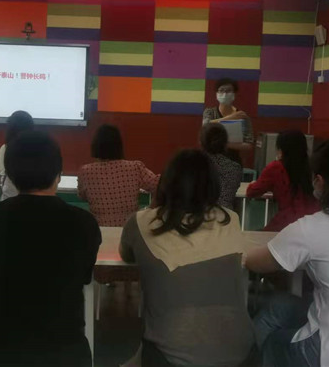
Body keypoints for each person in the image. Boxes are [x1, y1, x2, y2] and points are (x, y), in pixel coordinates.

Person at [0, 131, 101, 367]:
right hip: (61, 346)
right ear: (59, 174)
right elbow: (84, 276)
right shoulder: (84, 223)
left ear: (11, 175)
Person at [120, 149, 255, 367]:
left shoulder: (141, 222)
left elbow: (126, 254)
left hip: (170, 358)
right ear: (213, 185)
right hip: (243, 355)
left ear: (166, 183)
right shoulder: (230, 219)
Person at [245, 139, 329, 367]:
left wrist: (241, 256)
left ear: (320, 181)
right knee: (281, 305)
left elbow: (257, 263)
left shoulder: (314, 228)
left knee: (273, 342)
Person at [78, 124, 159, 284]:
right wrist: (150, 210)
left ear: (95, 145)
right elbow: (160, 184)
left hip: (100, 245)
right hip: (131, 244)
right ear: (119, 145)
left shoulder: (85, 171)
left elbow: (83, 196)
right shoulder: (135, 167)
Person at [247, 130, 319, 231]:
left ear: (281, 149)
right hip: (314, 222)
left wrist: (253, 184)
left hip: (287, 223)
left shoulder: (276, 167)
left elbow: (252, 192)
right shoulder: (314, 167)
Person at [202, 78, 254, 155]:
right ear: (216, 93)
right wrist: (231, 117)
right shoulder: (209, 112)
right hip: (210, 157)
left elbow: (249, 145)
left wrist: (224, 144)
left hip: (233, 158)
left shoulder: (242, 116)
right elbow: (205, 126)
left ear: (234, 94)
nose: (225, 93)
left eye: (229, 90)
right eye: (221, 90)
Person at [200, 123, 242, 210]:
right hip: (226, 214)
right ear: (225, 143)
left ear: (202, 142)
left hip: (199, 214)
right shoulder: (235, 168)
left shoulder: (193, 165)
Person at [0, 110, 34, 200]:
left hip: (8, 200)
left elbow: (0, 177)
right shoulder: (39, 149)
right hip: (34, 200)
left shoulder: (5, 148)